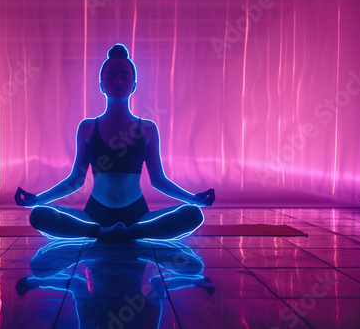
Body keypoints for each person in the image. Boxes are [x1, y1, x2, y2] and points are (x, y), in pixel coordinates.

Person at [15, 44, 215, 241]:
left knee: (194, 214)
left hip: (138, 215)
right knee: (38, 214)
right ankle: (107, 233)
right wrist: (37, 200)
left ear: (134, 85)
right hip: (94, 215)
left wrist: (194, 199)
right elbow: (75, 179)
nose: (118, 81)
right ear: (101, 85)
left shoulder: (147, 128)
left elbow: (158, 180)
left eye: (124, 76)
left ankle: (129, 232)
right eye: (111, 76)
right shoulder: (87, 127)